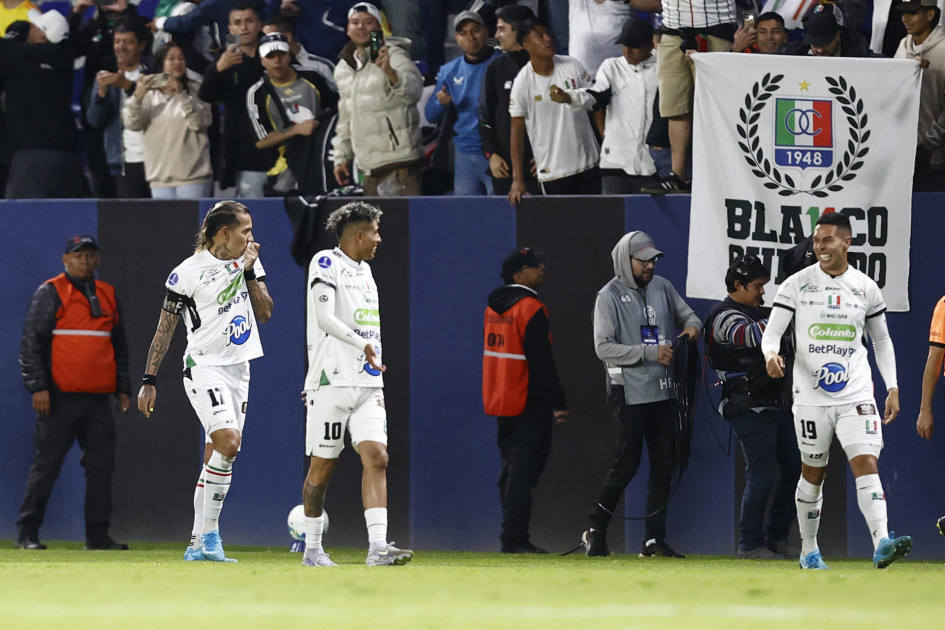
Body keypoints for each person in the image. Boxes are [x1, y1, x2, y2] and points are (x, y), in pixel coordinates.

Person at [761, 212, 912, 570]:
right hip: (811, 397)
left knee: (867, 462)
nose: (820, 247)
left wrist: (892, 386)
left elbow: (882, 341)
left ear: (847, 242)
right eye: (816, 241)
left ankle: (881, 542)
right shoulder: (796, 285)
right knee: (814, 472)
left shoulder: (865, 287)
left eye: (827, 240)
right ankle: (809, 550)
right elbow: (773, 332)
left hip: (856, 393)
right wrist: (770, 353)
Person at [137, 201, 273, 562]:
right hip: (203, 367)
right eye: (245, 230)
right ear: (223, 233)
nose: (251, 237)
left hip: (239, 368)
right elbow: (164, 329)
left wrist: (247, 272)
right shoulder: (187, 273)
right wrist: (149, 379)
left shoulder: (248, 261)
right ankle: (212, 536)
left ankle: (196, 544)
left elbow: (265, 312)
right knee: (228, 443)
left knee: (218, 456)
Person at [300, 201, 413, 568]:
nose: (380, 240)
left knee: (378, 457)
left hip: (368, 383)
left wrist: (370, 354)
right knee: (322, 468)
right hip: (330, 382)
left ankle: (378, 548)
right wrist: (361, 343)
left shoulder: (366, 272)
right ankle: (313, 549)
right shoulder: (326, 262)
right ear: (359, 235)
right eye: (376, 232)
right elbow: (324, 317)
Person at [582, 231, 701, 558]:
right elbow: (602, 347)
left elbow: (690, 317)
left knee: (664, 465)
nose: (650, 266)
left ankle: (653, 541)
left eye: (652, 260)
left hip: (664, 392)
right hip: (629, 393)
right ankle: (595, 529)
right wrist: (649, 354)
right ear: (625, 260)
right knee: (627, 464)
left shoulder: (663, 287)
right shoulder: (607, 297)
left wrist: (692, 330)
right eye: (643, 260)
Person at [17, 235, 131, 551]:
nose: (85, 261)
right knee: (47, 466)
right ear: (65, 260)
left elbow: (118, 346)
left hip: (97, 400)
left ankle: (97, 536)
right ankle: (27, 533)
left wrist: (123, 388)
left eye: (90, 255)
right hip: (58, 397)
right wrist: (38, 387)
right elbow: (31, 344)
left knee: (100, 470)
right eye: (78, 256)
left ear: (98, 259)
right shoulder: (51, 292)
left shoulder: (108, 294)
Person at [704, 254, 800, 559]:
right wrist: (787, 314)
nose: (762, 292)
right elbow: (753, 336)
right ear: (738, 285)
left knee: (796, 469)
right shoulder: (722, 316)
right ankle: (750, 544)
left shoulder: (765, 313)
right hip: (745, 404)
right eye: (757, 286)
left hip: (775, 403)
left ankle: (776, 539)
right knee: (761, 473)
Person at [483, 247, 569, 554]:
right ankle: (514, 539)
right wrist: (558, 401)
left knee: (511, 471)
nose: (542, 268)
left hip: (501, 398)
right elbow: (541, 360)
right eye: (535, 266)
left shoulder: (493, 307)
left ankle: (513, 535)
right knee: (522, 472)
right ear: (519, 275)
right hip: (529, 399)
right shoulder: (530, 307)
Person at [549, 18, 659, 194]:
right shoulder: (612, 67)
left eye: (634, 46)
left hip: (652, 164)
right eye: (624, 45)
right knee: (612, 219)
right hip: (614, 162)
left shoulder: (663, 68)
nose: (627, 52)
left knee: (648, 220)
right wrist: (569, 97)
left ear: (649, 45)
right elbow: (596, 95)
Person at [640, 0, 735, 194]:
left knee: (716, 110)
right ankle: (678, 176)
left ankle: (722, 174)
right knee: (675, 109)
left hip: (714, 30)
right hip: (673, 32)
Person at [332, 2, 424, 196]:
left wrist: (390, 73)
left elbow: (414, 92)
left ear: (378, 27)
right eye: (355, 22)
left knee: (402, 225)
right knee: (376, 227)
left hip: (399, 163)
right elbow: (346, 116)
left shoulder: (394, 55)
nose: (361, 27)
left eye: (368, 22)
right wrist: (341, 157)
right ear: (347, 29)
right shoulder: (343, 67)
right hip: (368, 168)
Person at [508, 17, 600, 206]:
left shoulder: (572, 65)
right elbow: (516, 133)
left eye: (547, 33)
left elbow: (595, 103)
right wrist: (518, 179)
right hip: (554, 173)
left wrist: (605, 141)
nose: (548, 39)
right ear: (526, 44)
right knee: (564, 231)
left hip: (590, 164)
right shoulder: (522, 83)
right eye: (539, 36)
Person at [0, 8, 85, 199]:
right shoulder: (65, 56)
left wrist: (13, 35)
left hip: (32, 160)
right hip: (66, 159)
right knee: (62, 225)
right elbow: (66, 41)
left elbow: (5, 50)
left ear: (41, 34)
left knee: (24, 222)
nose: (30, 26)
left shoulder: (20, 58)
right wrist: (76, 14)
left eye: (34, 25)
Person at [247, 32, 338, 195]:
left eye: (281, 54)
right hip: (283, 170)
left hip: (320, 162)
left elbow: (337, 110)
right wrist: (297, 130)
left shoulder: (313, 77)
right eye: (270, 56)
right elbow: (261, 141)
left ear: (290, 55)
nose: (277, 60)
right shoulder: (257, 93)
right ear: (262, 60)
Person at [198, 1, 272, 197]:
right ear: (230, 28)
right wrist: (219, 69)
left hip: (282, 145)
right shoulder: (226, 58)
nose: (244, 27)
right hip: (244, 151)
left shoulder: (274, 52)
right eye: (238, 23)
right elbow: (206, 95)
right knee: (252, 212)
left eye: (249, 21)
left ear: (259, 24)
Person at [123, 41, 214, 198]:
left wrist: (181, 95)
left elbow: (199, 123)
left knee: (191, 222)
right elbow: (132, 123)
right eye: (171, 58)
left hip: (193, 177)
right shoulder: (149, 95)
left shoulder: (196, 90)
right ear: (161, 64)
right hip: (159, 179)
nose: (177, 62)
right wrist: (137, 96)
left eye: (181, 58)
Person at [425, 11, 502, 196]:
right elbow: (430, 115)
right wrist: (440, 103)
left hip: (499, 153)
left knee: (501, 216)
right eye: (464, 33)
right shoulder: (449, 71)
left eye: (475, 30)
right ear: (457, 39)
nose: (471, 37)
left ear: (486, 32)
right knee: (466, 219)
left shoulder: (502, 63)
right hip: (465, 156)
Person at [478, 4, 540, 197]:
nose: (496, 35)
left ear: (520, 32)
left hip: (541, 170)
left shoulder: (545, 66)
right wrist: (491, 154)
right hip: (504, 169)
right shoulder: (495, 68)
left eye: (502, 29)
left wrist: (550, 158)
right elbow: (484, 116)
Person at [87, 17, 151, 199]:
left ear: (141, 45)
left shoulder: (152, 74)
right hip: (121, 161)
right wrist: (101, 92)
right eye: (117, 41)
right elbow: (94, 120)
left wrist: (128, 86)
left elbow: (155, 111)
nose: (121, 47)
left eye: (128, 42)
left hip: (154, 159)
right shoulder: (106, 77)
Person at [893, 0, 945, 192]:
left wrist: (929, 144)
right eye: (903, 13)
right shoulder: (903, 45)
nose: (905, 18)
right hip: (903, 154)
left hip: (934, 157)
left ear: (930, 15)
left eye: (912, 13)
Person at [262, 13, 337, 89]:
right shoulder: (267, 70)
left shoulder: (321, 66)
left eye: (272, 38)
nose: (266, 44)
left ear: (287, 37)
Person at [793, 2, 873, 57]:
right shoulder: (796, 51)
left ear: (838, 34)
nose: (820, 50)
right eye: (815, 43)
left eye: (825, 43)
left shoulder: (858, 51)